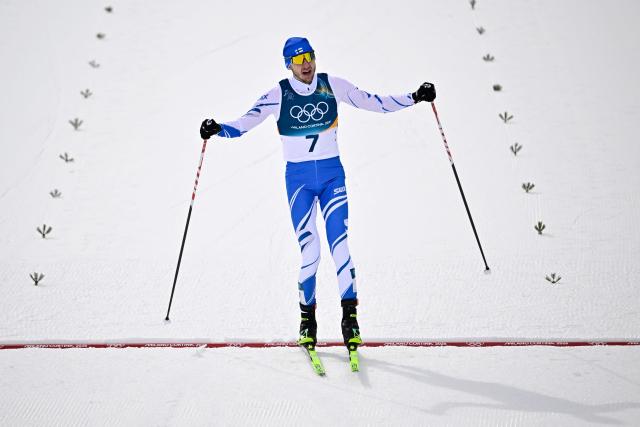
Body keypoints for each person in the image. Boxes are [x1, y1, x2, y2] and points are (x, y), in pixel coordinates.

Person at [200, 37, 436, 353]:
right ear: (288, 65)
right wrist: (217, 129)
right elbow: (244, 124)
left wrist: (415, 97)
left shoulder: (332, 85)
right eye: (299, 60)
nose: (306, 64)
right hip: (298, 182)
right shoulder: (276, 95)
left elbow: (374, 102)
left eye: (309, 57)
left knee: (340, 245)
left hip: (331, 176)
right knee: (311, 253)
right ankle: (307, 320)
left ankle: (349, 319)